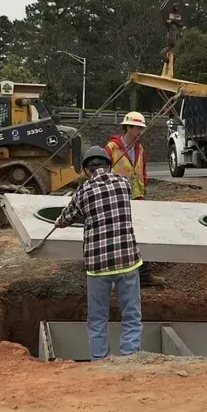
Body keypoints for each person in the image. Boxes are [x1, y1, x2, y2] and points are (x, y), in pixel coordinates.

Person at [54, 145, 143, 361]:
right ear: (108, 164)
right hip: (127, 262)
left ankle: (100, 364)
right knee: (131, 316)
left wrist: (59, 222)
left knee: (97, 319)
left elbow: (67, 218)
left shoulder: (83, 191)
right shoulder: (124, 184)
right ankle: (130, 359)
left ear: (86, 170)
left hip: (98, 266)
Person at [106, 111, 165, 287]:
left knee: (142, 235)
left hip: (137, 199)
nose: (140, 130)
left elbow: (143, 173)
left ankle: (145, 274)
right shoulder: (111, 148)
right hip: (116, 200)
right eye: (137, 127)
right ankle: (115, 276)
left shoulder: (140, 149)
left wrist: (143, 194)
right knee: (117, 237)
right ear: (128, 127)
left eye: (141, 127)